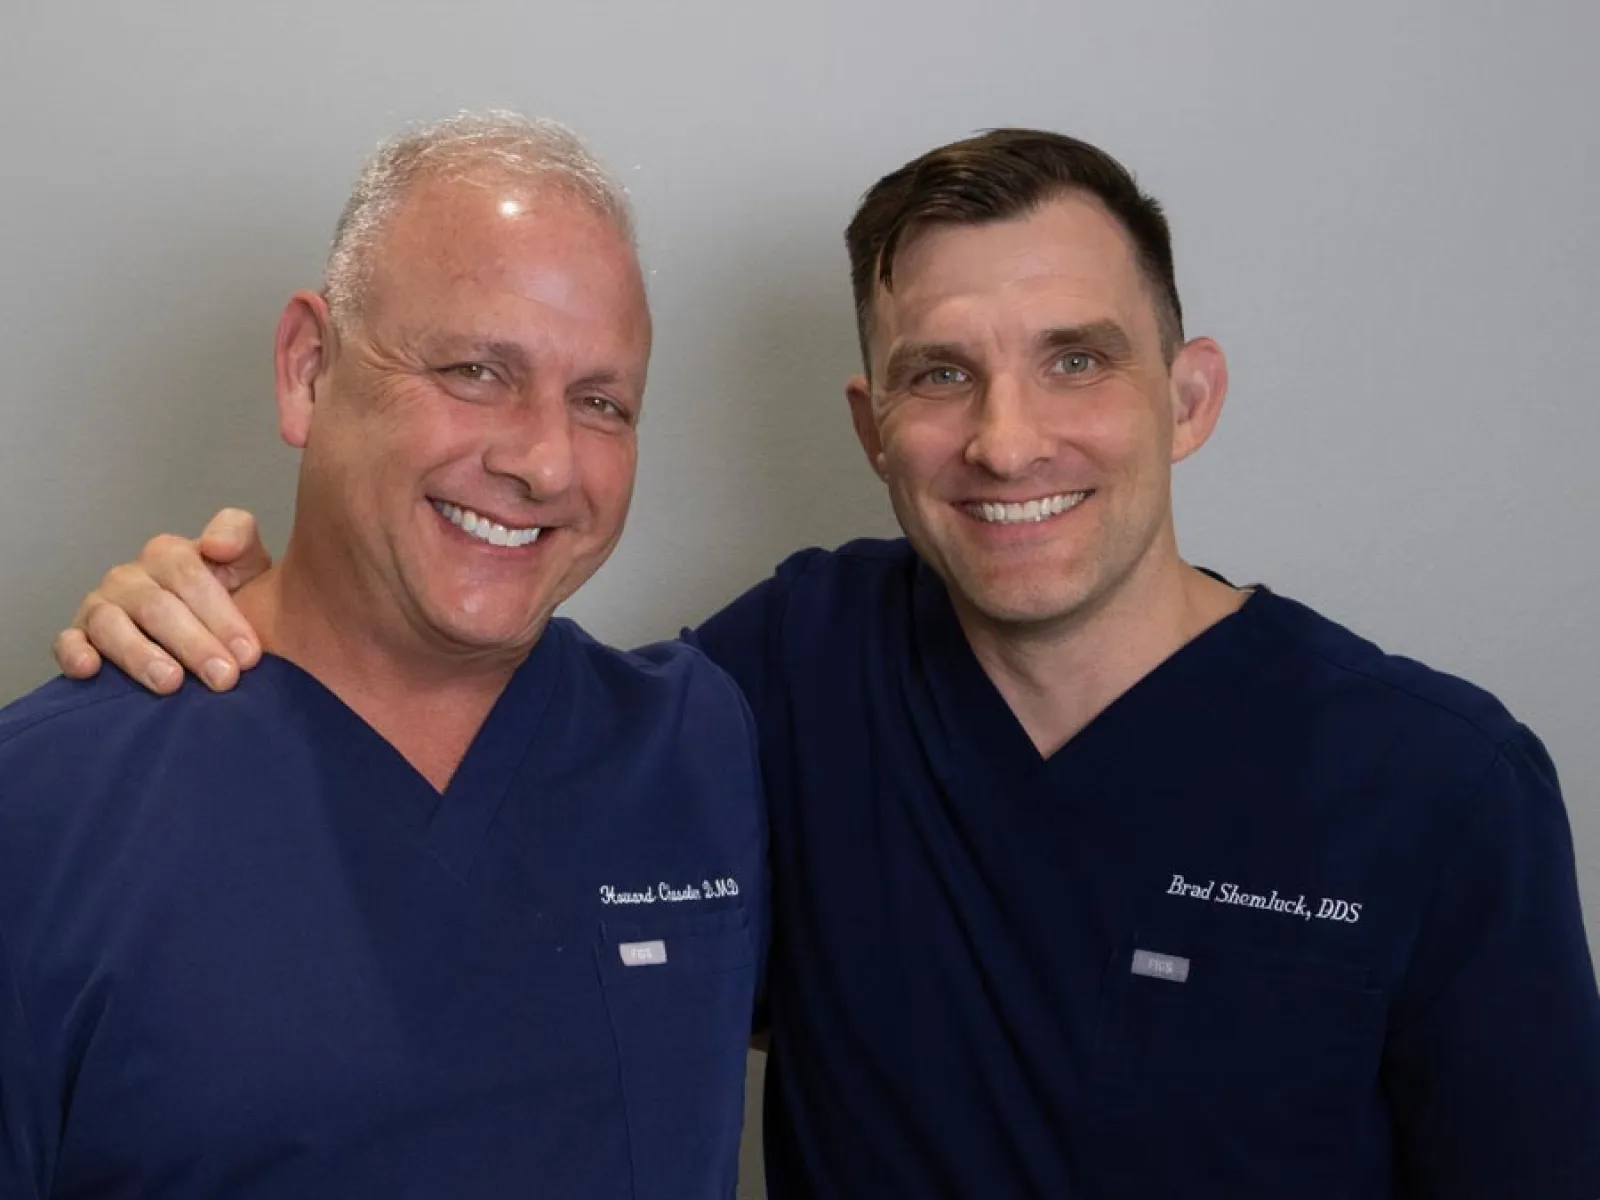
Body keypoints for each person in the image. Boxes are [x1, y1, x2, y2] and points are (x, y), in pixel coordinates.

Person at [52, 127, 1600, 1198]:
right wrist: (188, 609)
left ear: (1186, 397)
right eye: (940, 375)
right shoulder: (786, 683)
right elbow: (433, 706)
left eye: (1079, 359)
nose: (1007, 439)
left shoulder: (1438, 786)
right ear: (871, 429)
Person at [1, 113, 766, 1199]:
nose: (544, 461)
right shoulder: (41, 806)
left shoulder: (702, 744)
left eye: (601, 402)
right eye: (474, 370)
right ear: (310, 370)